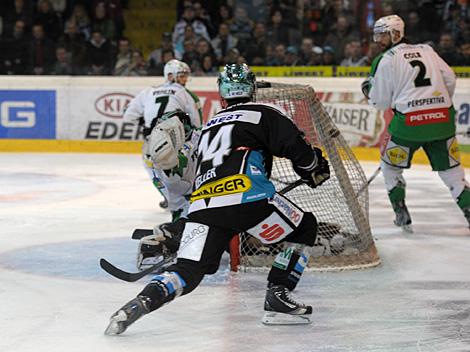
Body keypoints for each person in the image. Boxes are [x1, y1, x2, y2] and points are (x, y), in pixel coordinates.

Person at [105, 63, 331, 335]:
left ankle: (139, 303)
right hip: (249, 197)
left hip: (203, 206)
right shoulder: (264, 113)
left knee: (187, 271)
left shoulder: (210, 125)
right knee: (305, 227)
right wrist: (313, 167)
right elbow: (298, 150)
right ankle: (278, 294)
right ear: (252, 90)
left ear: (222, 96)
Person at [362, 14, 470, 232]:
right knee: (453, 174)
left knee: (390, 168)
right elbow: (450, 78)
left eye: (382, 35)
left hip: (408, 126)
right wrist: (437, 103)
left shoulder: (385, 60)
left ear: (395, 33)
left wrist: (368, 91)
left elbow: (380, 102)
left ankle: (400, 211)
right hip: (442, 121)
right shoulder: (428, 50)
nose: (378, 41)